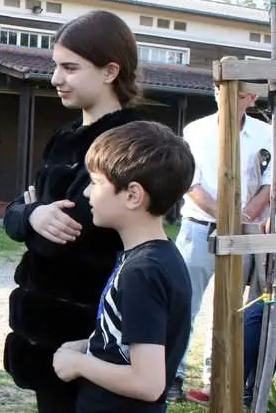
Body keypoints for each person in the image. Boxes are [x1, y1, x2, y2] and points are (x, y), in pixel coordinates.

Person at [2, 9, 144, 412]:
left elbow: (68, 234)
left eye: (69, 67)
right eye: (55, 66)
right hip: (43, 335)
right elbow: (20, 209)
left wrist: (34, 213)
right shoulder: (63, 138)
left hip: (89, 332)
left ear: (109, 70)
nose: (55, 79)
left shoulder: (129, 142)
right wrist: (31, 215)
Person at [52, 120, 194, 412]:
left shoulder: (142, 273)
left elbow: (148, 382)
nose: (88, 194)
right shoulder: (153, 259)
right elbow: (128, 345)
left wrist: (79, 364)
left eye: (96, 183)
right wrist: (87, 346)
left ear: (133, 195)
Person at [174, 60, 273, 404]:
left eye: (242, 95)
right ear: (216, 90)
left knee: (235, 309)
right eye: (224, 91)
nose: (231, 98)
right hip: (199, 227)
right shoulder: (195, 131)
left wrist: (243, 218)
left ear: (250, 99)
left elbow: (268, 183)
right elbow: (191, 183)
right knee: (185, 301)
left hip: (246, 231)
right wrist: (226, 217)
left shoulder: (264, 132)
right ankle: (174, 373)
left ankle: (219, 375)